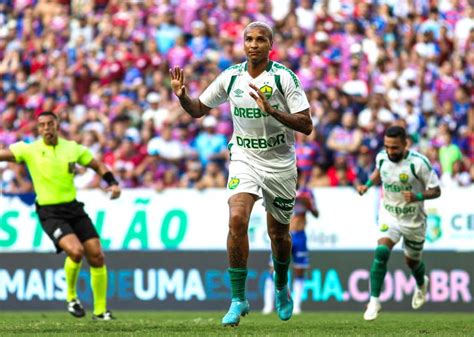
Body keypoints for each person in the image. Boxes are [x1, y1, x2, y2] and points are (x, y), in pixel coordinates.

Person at [170, 21, 312, 326]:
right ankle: (238, 299)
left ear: (270, 45)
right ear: (243, 43)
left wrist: (273, 111)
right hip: (244, 157)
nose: (254, 44)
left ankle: (282, 285)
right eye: (249, 39)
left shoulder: (284, 78)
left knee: (279, 235)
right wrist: (182, 96)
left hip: (280, 162)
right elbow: (198, 109)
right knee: (236, 219)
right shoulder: (231, 77)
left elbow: (306, 124)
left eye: (261, 39)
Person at [0, 111, 121, 320]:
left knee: (97, 255)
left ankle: (100, 312)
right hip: (49, 211)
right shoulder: (29, 150)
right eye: (42, 125)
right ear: (38, 129)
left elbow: (97, 165)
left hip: (74, 208)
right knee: (75, 251)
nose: (46, 128)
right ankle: (71, 298)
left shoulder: (72, 149)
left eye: (50, 124)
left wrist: (112, 183)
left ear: (57, 126)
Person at [357, 125, 441, 321]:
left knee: (411, 262)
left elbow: (436, 190)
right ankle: (374, 301)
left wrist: (417, 196)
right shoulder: (382, 157)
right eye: (387, 146)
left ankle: (421, 283)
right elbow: (379, 172)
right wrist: (367, 185)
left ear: (405, 144)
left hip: (413, 220)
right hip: (390, 214)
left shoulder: (419, 163)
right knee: (381, 252)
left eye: (394, 147)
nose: (390, 151)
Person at [262, 177, 319, 315]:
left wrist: (309, 205)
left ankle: (297, 306)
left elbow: (316, 214)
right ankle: (268, 306)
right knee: (273, 269)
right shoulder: (281, 189)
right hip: (283, 233)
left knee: (299, 271)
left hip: (299, 236)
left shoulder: (307, 193)